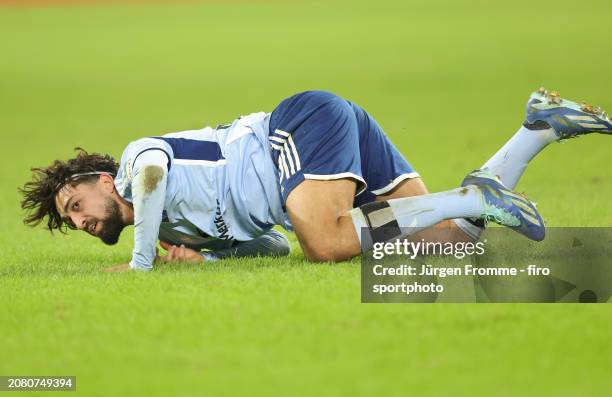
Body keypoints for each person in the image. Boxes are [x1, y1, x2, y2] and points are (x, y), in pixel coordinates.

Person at [19, 88, 611, 271]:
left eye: (75, 202)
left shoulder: (133, 161)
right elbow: (270, 243)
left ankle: (474, 195)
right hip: (314, 148)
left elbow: (150, 176)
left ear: (99, 177)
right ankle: (538, 129)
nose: (80, 219)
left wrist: (142, 263)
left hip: (297, 125)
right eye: (71, 221)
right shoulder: (182, 231)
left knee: (325, 243)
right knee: (449, 238)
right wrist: (209, 263)